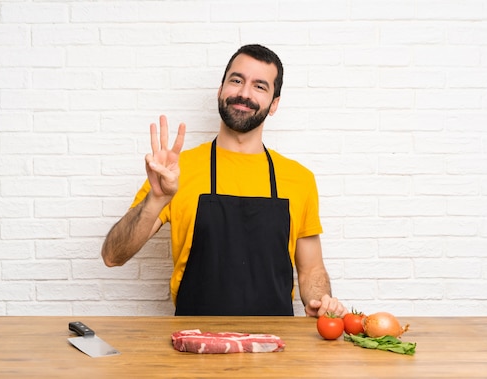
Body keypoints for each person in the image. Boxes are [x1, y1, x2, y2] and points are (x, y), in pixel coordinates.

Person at [101, 44, 348, 318]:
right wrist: (157, 198)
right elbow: (113, 255)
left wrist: (321, 301)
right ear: (220, 90)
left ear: (274, 103)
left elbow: (311, 270)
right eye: (236, 80)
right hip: (193, 344)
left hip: (276, 348)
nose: (244, 93)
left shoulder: (299, 179)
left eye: (260, 86)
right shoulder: (175, 171)